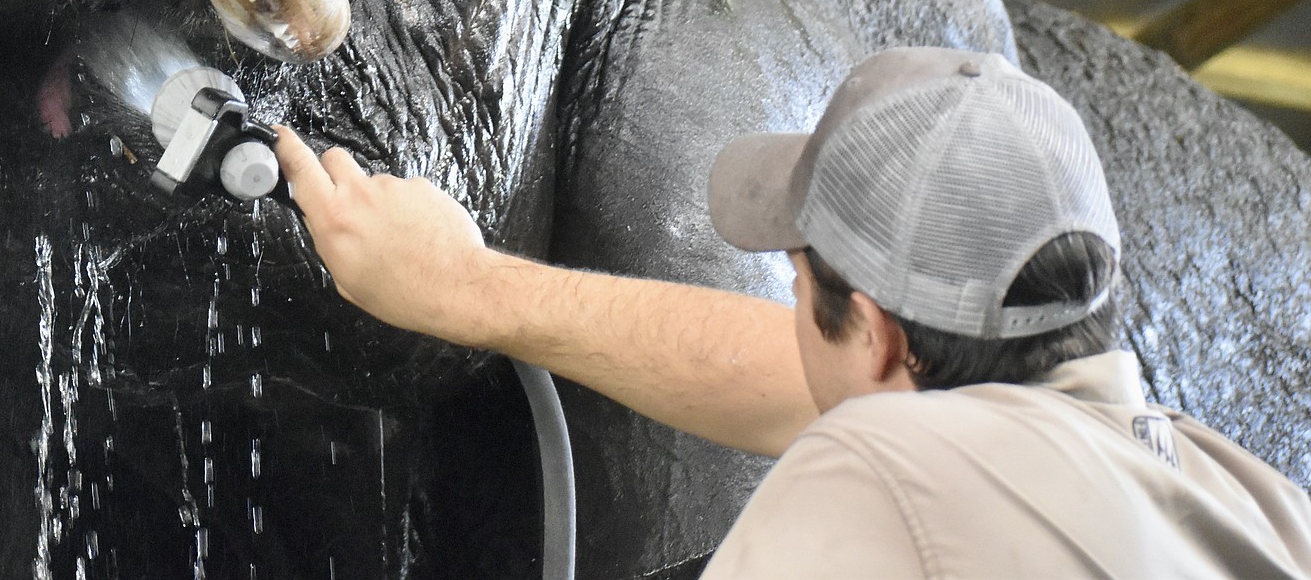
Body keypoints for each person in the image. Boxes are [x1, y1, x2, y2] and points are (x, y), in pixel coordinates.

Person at [271, 46, 1311, 578]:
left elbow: (866, 425)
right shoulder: (1250, 501)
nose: (792, 303)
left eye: (803, 278)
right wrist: (464, 285)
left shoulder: (874, 466)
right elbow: (796, 374)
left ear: (886, 338)